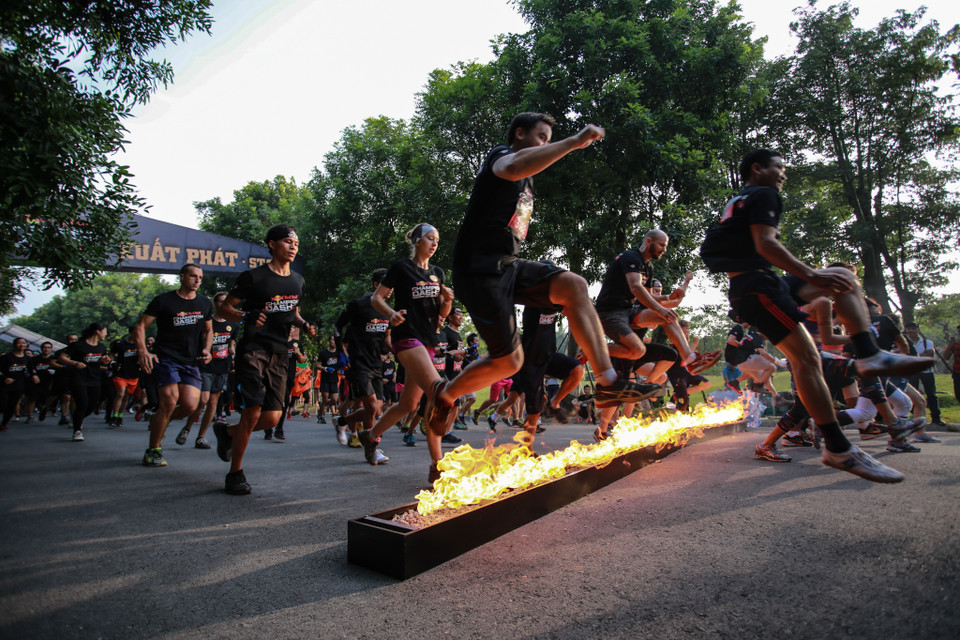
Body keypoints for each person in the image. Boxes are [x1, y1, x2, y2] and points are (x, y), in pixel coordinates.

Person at [699, 148, 932, 483]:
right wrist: (811, 275)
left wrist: (816, 279)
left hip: (760, 285)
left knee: (843, 277)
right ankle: (838, 446)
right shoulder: (764, 193)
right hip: (758, 287)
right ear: (757, 168)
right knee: (807, 360)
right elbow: (766, 245)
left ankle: (868, 356)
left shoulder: (739, 200)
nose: (783, 173)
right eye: (779, 167)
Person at [425, 112, 661, 439]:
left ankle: (609, 383)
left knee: (574, 285)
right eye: (541, 137)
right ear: (519, 134)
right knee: (508, 362)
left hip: (508, 265)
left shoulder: (528, 183)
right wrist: (575, 142)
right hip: (478, 269)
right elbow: (513, 166)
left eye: (549, 140)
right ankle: (446, 394)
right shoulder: (501, 156)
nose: (546, 144)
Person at [212, 224, 316, 495]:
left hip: (281, 353)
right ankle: (235, 473)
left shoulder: (297, 280)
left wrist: (304, 324)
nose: (293, 246)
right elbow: (225, 308)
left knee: (271, 418)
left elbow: (292, 310)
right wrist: (246, 315)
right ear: (271, 244)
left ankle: (228, 433)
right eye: (287, 241)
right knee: (253, 410)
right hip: (253, 350)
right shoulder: (254, 277)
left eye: (296, 242)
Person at [357, 223, 453, 482]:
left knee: (409, 404)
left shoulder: (437, 273)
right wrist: (391, 314)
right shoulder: (401, 267)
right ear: (417, 241)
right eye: (430, 239)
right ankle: (437, 466)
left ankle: (370, 435)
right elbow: (377, 299)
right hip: (407, 338)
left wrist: (448, 300)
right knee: (438, 392)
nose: (434, 244)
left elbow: (442, 314)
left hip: (429, 340)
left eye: (437, 240)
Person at [596, 231, 718, 374]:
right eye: (662, 245)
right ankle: (592, 349)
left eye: (665, 247)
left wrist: (668, 297)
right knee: (637, 350)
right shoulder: (631, 257)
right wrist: (659, 309)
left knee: (668, 317)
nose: (664, 250)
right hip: (609, 311)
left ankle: (690, 360)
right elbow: (635, 287)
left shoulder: (648, 267)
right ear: (649, 241)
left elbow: (648, 297)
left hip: (627, 311)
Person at [134, 263, 213, 467]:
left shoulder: (205, 303)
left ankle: (159, 419)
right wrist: (143, 351)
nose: (197, 281)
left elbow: (208, 330)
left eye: (200, 278)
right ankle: (153, 450)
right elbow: (141, 326)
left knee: (189, 406)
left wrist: (207, 348)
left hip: (190, 360)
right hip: (165, 358)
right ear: (182, 277)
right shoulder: (164, 301)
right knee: (170, 402)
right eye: (193, 276)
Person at [334, 268, 390, 448]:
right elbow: (338, 326)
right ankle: (373, 448)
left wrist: (401, 351)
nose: (391, 289)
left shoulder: (389, 311)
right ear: (376, 285)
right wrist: (340, 353)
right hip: (358, 363)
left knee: (376, 410)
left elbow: (386, 341)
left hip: (376, 364)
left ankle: (342, 421)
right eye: (387, 285)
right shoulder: (358, 305)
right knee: (371, 407)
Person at [175, 292, 237, 449]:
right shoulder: (207, 322)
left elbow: (231, 343)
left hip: (222, 367)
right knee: (203, 400)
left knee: (213, 403)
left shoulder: (233, 325)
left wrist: (232, 351)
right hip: (206, 365)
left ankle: (200, 437)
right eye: (222, 302)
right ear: (215, 304)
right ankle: (187, 428)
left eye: (227, 302)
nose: (225, 305)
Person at [58, 324, 111, 441]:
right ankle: (77, 430)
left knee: (92, 405)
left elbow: (103, 361)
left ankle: (77, 418)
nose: (106, 334)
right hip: (79, 378)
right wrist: (74, 363)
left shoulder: (101, 347)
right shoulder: (78, 345)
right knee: (82, 402)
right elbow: (62, 357)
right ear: (98, 332)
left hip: (95, 378)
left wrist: (105, 361)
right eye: (104, 331)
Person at [904, 322, 944, 427]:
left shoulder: (927, 342)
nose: (911, 331)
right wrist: (920, 356)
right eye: (908, 329)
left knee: (931, 394)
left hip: (926, 371)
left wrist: (913, 356)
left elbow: (930, 354)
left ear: (918, 330)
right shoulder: (905, 342)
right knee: (913, 395)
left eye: (913, 328)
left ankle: (936, 418)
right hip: (912, 372)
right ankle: (916, 418)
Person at [1, 337, 37, 431]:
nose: (22, 345)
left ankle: (4, 424)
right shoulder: (6, 357)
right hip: (4, 384)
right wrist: (4, 378)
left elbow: (31, 369)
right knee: (3, 403)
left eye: (23, 343)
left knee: (12, 404)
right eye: (19, 343)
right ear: (14, 345)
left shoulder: (27, 358)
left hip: (18, 384)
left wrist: (34, 375)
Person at [108, 326, 140, 428]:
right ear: (130, 334)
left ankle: (120, 416)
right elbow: (111, 354)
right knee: (120, 393)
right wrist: (112, 363)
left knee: (127, 396)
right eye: (135, 333)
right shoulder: (120, 344)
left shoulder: (140, 345)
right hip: (121, 372)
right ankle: (114, 416)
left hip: (133, 374)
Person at [315, 337, 341, 425]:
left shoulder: (338, 353)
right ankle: (321, 416)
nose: (334, 342)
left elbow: (342, 364)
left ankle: (321, 407)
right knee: (325, 398)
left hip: (334, 379)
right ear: (329, 341)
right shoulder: (323, 353)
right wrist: (325, 368)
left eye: (335, 341)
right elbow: (317, 365)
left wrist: (341, 370)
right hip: (325, 379)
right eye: (332, 340)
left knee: (334, 399)